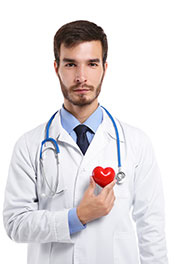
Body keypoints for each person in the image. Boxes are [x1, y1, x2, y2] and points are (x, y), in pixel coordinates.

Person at [3, 20, 168, 264]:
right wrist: (77, 217)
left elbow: (151, 230)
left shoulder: (136, 143)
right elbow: (15, 224)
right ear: (56, 67)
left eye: (92, 64)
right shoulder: (29, 146)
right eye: (71, 64)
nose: (81, 77)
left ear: (105, 68)